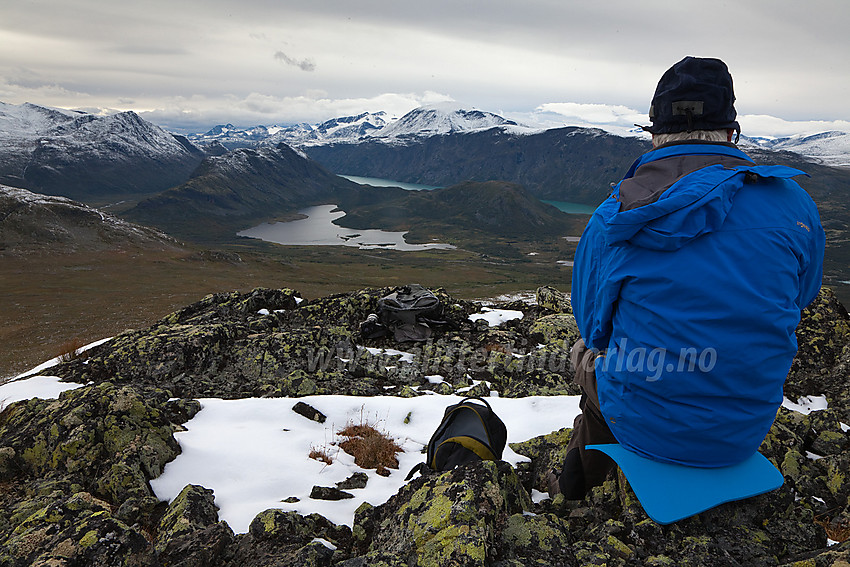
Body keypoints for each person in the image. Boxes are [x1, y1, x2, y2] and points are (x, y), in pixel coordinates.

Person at [551, 56, 825, 499]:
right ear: (732, 131)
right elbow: (802, 296)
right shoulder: (796, 205)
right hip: (745, 430)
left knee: (587, 358)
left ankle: (575, 491)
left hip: (646, 428)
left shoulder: (615, 217)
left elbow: (593, 327)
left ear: (656, 132)